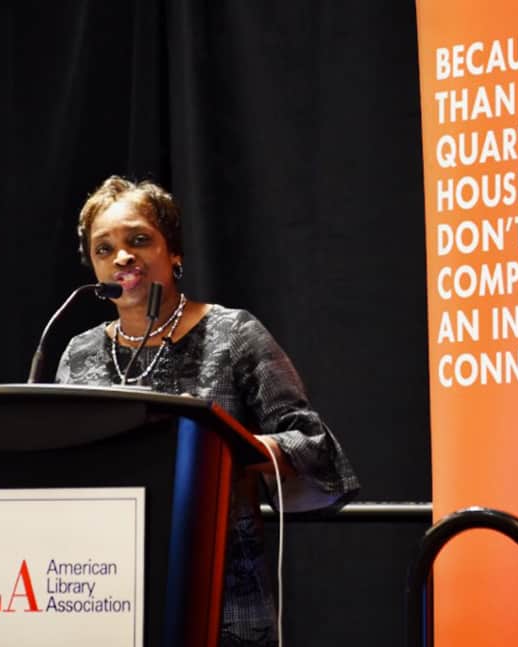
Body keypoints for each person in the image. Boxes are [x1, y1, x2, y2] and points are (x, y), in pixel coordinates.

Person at [55, 175, 359, 646]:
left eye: (138, 240)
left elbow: (312, 445)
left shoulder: (233, 334)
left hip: (224, 601)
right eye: (104, 249)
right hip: (104, 596)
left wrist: (226, 451)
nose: (122, 258)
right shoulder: (78, 353)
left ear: (173, 253)